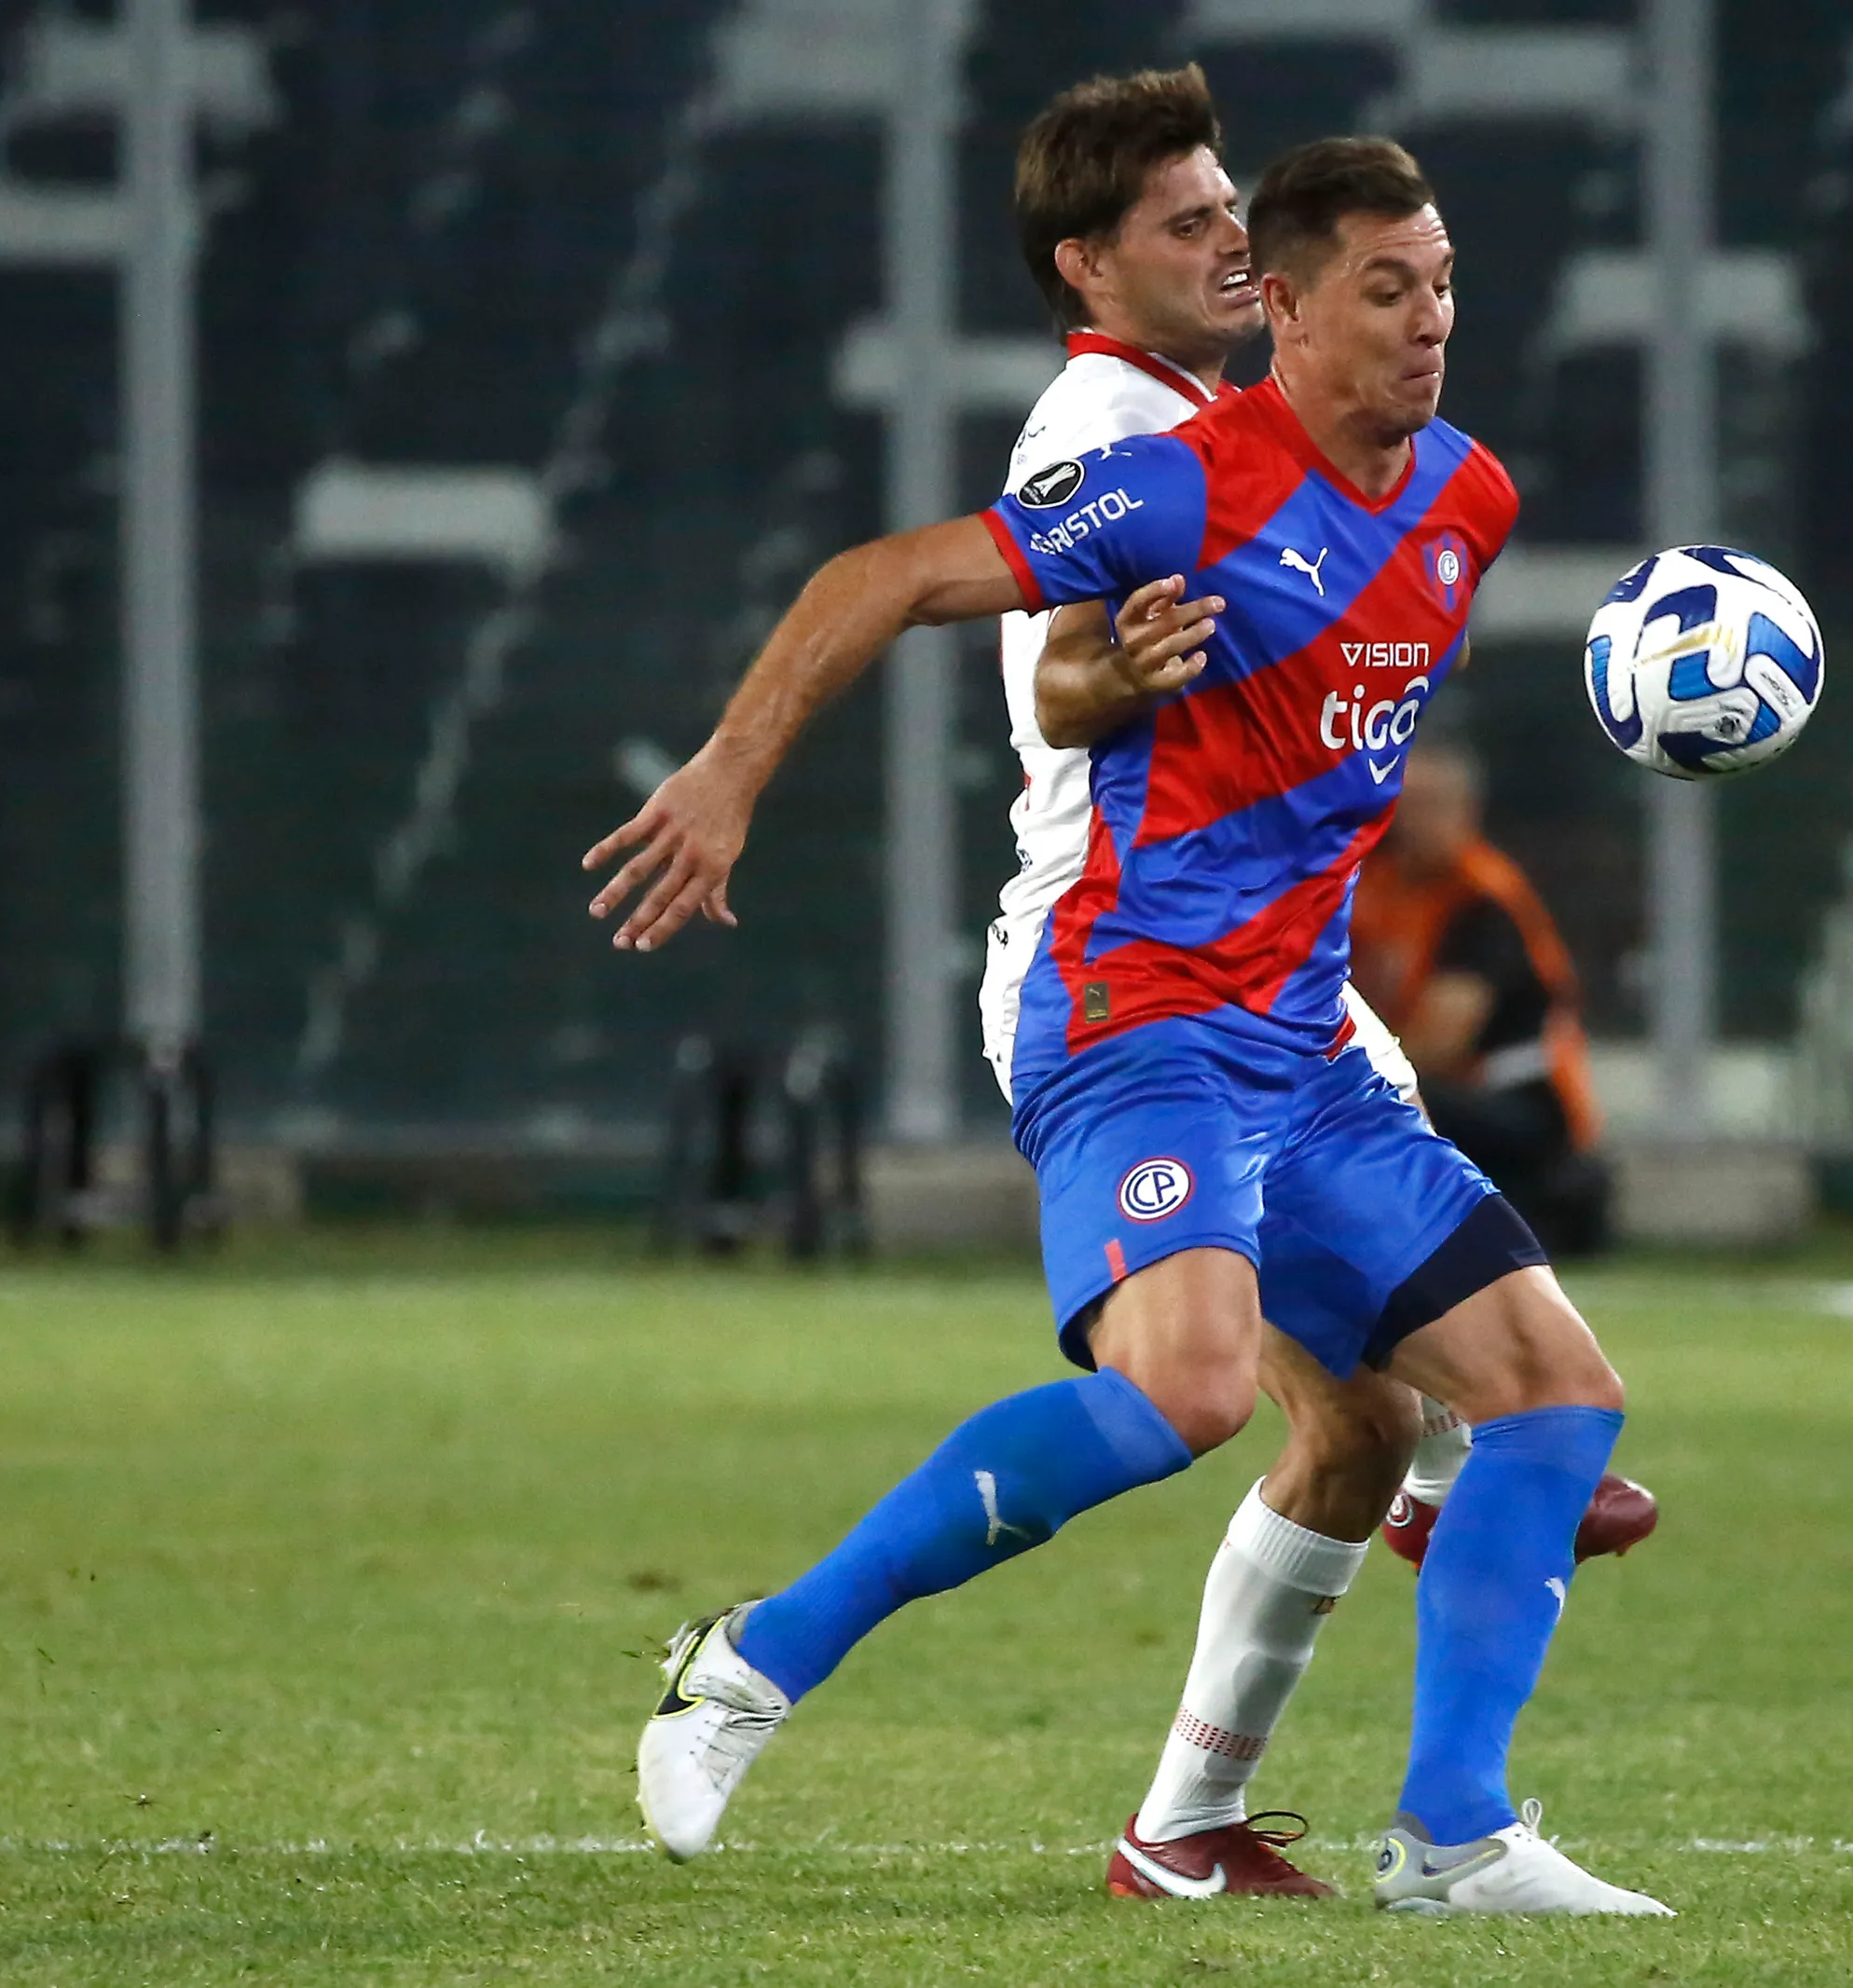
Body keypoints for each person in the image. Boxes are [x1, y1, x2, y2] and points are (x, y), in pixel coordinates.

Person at [584, 132, 1671, 1917]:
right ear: (1292, 311)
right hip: (1135, 1015)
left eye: (1446, 283)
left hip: (1306, 1049)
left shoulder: (1470, 498)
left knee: (1557, 1397)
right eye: (1385, 290)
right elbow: (892, 583)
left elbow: (1305, 702)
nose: (1428, 324)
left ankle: (1451, 1834)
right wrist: (727, 772)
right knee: (1186, 1388)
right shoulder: (1174, 479)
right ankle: (754, 1657)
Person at [982, 71, 1649, 1900]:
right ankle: (1479, 1474)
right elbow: (1067, 667)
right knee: (1354, 1393)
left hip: (1259, 955)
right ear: (1090, 266)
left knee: (1356, 1414)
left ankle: (1194, 1818)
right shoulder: (1105, 427)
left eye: (1230, 214)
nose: (1221, 240)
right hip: (1134, 951)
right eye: (1189, 224)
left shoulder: (1236, 409)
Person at [1349, 739, 1612, 1263]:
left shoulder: (1483, 899)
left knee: (1384, 1098)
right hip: (1451, 1089)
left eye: (1433, 805)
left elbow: (1443, 1041)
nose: (1414, 820)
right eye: (1407, 803)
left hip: (1522, 1100)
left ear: (1467, 810)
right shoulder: (1378, 883)